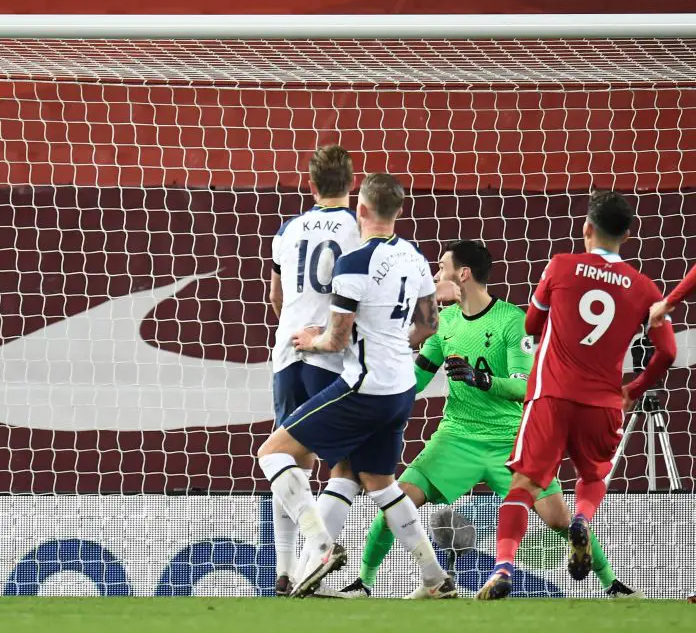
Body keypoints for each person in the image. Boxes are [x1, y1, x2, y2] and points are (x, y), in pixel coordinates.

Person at [344, 240, 639, 599]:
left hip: (509, 440)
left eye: (442, 267)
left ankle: (614, 586)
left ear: (463, 274)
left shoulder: (512, 322)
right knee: (396, 501)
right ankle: (364, 583)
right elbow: (416, 379)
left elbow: (524, 386)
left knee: (561, 521)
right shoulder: (444, 321)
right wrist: (374, 386)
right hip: (456, 438)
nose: (437, 275)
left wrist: (480, 378)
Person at [257, 172, 455, 599]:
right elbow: (428, 325)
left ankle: (321, 545)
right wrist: (390, 344)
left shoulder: (352, 265)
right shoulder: (414, 256)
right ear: (398, 210)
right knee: (381, 483)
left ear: (361, 209)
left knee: (272, 453)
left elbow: (337, 338)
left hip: (363, 388)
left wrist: (313, 339)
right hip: (401, 387)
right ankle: (435, 579)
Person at [478, 191, 677, 600]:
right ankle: (581, 519)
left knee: (523, 484)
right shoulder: (645, 289)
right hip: (603, 402)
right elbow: (669, 352)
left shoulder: (561, 266)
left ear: (586, 227)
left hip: (550, 394)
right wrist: (634, 388)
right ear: (627, 234)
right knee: (593, 476)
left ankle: (502, 569)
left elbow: (532, 324)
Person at [266, 145, 363, 596]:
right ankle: (316, 554)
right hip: (333, 358)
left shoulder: (287, 229)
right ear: (352, 183)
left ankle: (285, 571)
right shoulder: (359, 230)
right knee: (346, 465)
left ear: (310, 185)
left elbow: (276, 298)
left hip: (287, 355)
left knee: (289, 460)